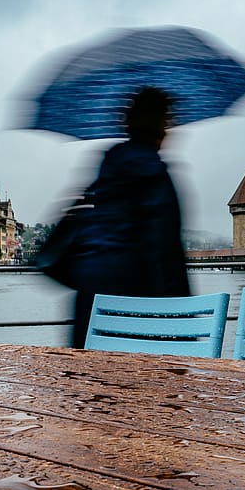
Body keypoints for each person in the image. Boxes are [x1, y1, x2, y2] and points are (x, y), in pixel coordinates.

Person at [67, 87, 190, 348]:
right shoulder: (155, 174)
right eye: (168, 121)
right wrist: (184, 324)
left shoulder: (108, 164)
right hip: (134, 301)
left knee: (91, 381)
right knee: (140, 383)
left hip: (91, 298)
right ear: (160, 125)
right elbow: (167, 253)